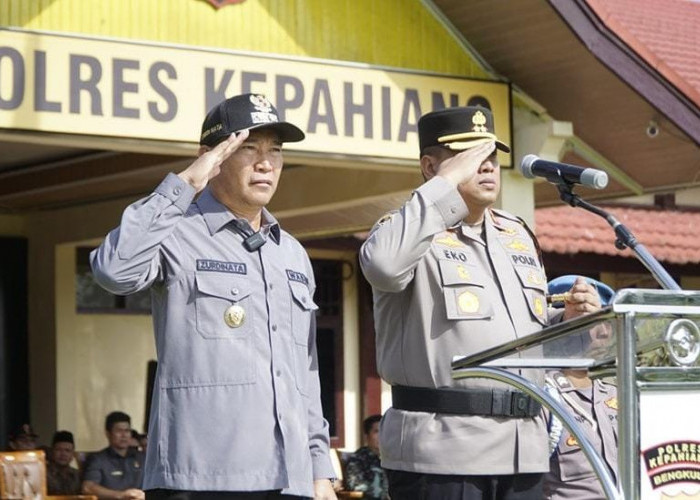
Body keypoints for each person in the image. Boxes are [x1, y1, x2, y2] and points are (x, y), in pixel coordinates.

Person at [90, 93, 336, 500]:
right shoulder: (175, 232)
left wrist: (318, 466)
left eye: (275, 151)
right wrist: (186, 183)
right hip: (200, 476)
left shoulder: (291, 252)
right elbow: (113, 271)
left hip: (289, 478)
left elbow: (304, 374)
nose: (266, 163)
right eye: (248, 149)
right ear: (212, 156)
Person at [359, 105, 602, 500]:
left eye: (491, 156)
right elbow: (384, 268)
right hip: (444, 451)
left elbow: (526, 335)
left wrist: (567, 320)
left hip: (523, 450)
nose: (487, 166)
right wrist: (445, 185)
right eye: (470, 157)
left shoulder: (516, 235)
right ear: (430, 166)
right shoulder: (405, 232)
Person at [544, 276, 618, 500]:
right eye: (591, 321)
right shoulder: (541, 397)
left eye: (607, 320)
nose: (604, 332)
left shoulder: (618, 395)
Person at [82, 411, 145, 499]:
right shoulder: (98, 459)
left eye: (127, 431)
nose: (124, 435)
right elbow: (88, 487)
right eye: (119, 431)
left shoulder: (142, 458)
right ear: (108, 433)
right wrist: (121, 495)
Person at [344, 415, 388, 500]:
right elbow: (355, 485)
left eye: (384, 432)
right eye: (376, 431)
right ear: (367, 436)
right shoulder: (358, 459)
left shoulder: (392, 459)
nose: (381, 436)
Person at [47, 430, 82, 495]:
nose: (63, 454)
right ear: (52, 452)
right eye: (59, 450)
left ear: (73, 454)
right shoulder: (44, 475)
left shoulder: (78, 475)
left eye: (67, 450)